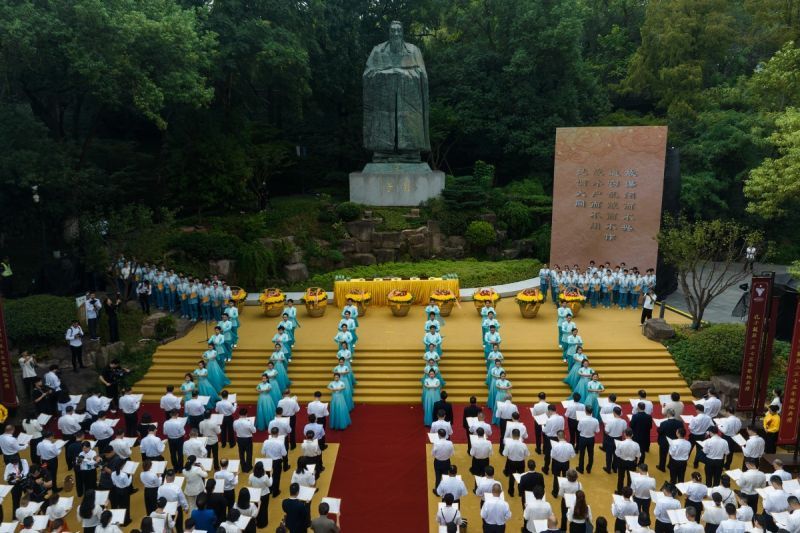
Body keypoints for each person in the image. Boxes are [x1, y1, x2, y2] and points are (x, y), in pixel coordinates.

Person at [503, 428, 530, 497]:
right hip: (521, 463)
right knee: (520, 477)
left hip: (511, 462)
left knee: (511, 477)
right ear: (519, 435)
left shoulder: (508, 444)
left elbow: (505, 454)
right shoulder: (523, 445)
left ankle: (511, 492)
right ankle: (521, 492)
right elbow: (527, 454)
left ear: (512, 435)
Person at [261, 427, 288, 497]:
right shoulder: (280, 443)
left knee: (268, 475)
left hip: (268, 461)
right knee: (276, 477)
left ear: (270, 433)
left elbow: (262, 453)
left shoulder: (265, 442)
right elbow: (284, 454)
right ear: (278, 433)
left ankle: (269, 490)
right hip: (277, 462)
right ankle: (275, 492)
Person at [577, 404, 600, 474]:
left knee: (582, 454)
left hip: (582, 438)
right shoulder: (596, 420)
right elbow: (597, 431)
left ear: (585, 411)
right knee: (591, 454)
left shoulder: (581, 420)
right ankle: (589, 468)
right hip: (591, 439)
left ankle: (581, 469)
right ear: (592, 412)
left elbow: (579, 429)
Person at [249, 461, 272, 528]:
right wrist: (270, 477)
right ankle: (264, 523)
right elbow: (270, 485)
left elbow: (249, 484)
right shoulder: (265, 477)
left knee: (257, 508)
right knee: (264, 509)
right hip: (264, 495)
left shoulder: (251, 476)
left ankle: (258, 522)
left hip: (255, 494)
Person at [233, 408, 256, 473]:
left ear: (239, 414)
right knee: (249, 453)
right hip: (248, 439)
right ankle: (248, 467)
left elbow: (234, 430)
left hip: (239, 439)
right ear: (246, 414)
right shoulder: (249, 422)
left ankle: (243, 467)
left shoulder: (235, 422)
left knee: (241, 453)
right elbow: (254, 431)